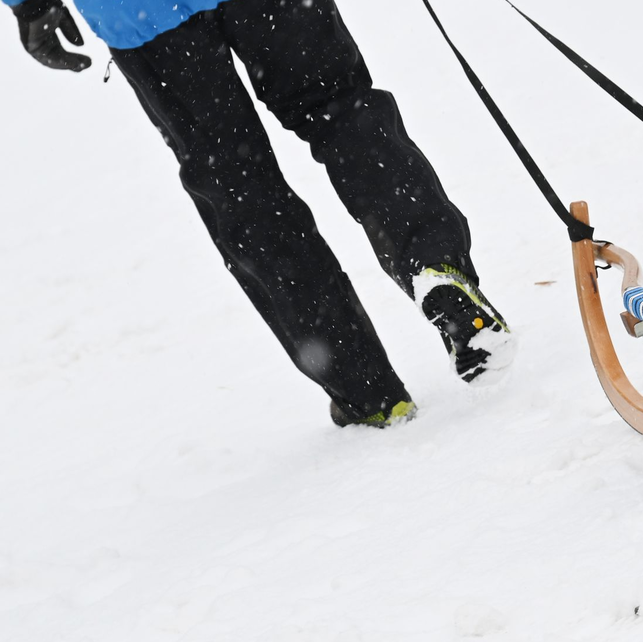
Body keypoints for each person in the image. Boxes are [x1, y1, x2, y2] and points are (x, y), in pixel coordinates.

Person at [6, 0, 515, 427]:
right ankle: (433, 265)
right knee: (342, 112)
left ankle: (366, 392)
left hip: (142, 14)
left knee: (242, 192)